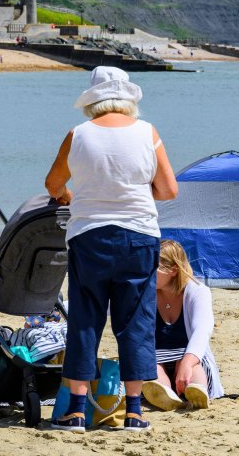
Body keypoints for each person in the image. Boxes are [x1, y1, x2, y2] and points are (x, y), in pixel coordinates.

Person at [45, 66, 178, 433]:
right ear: (128, 98)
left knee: (85, 320)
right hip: (138, 236)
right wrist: (132, 193)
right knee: (136, 321)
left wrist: (73, 196)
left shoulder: (78, 134)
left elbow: (54, 183)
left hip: (90, 236)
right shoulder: (147, 132)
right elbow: (168, 190)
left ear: (93, 101)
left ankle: (74, 411)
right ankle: (134, 410)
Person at [141, 240, 224, 412]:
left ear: (172, 270)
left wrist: (187, 363)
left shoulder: (197, 291)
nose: (146, 273)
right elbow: (107, 305)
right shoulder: (144, 292)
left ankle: (196, 390)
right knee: (153, 365)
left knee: (188, 363)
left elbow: (202, 329)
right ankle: (166, 395)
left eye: (152, 268)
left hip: (187, 356)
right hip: (156, 357)